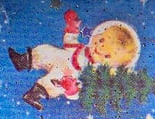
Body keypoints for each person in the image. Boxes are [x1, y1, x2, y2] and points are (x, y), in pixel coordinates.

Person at [8, 9, 141, 110]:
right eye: (101, 40)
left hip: (66, 76)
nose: (99, 48)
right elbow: (69, 41)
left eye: (107, 55)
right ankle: (22, 61)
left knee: (51, 84)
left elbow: (78, 93)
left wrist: (71, 88)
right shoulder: (82, 49)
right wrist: (72, 27)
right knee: (44, 51)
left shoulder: (89, 73)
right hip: (60, 56)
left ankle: (33, 96)